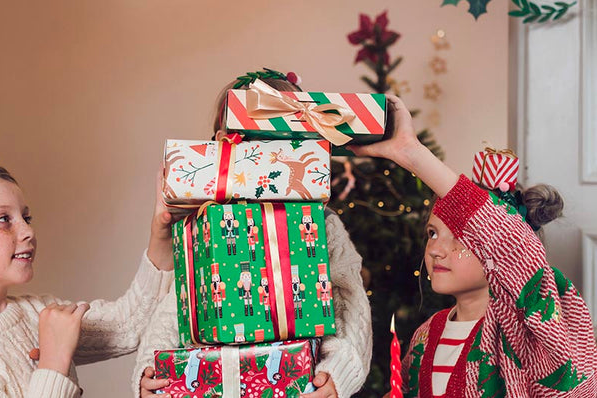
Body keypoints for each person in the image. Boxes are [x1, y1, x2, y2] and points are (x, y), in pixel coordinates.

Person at [135, 69, 373, 398]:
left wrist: (336, 374)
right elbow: (173, 311)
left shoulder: (319, 222)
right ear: (224, 144)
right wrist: (150, 371)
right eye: (246, 140)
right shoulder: (204, 225)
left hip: (296, 383)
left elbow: (347, 303)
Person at [358, 95, 596, 397]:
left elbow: (512, 243)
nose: (435, 250)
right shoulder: (426, 335)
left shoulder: (527, 332)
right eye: (432, 234)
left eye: (462, 238)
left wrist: (412, 153)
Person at [0, 141, 174, 397]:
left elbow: (128, 326)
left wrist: (160, 232)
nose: (28, 230)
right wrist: (54, 360)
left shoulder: (37, 313)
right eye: (4, 219)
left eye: (26, 217)